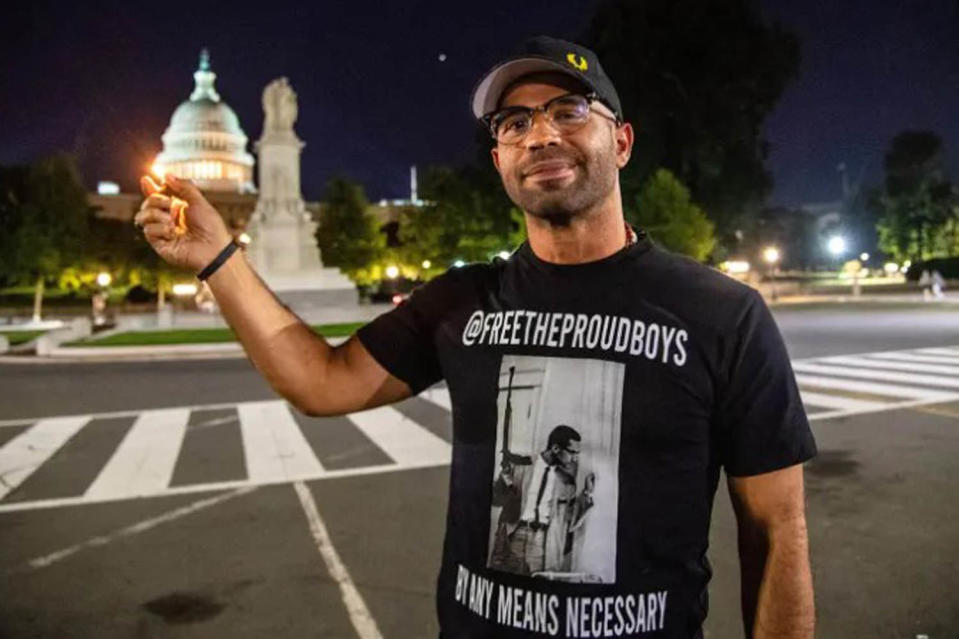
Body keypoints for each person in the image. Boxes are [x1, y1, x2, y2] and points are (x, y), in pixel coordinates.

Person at [136, 35, 816, 639]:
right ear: (499, 160)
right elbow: (321, 380)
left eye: (569, 111)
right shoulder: (458, 302)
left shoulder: (722, 314)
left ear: (623, 141)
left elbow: (774, 531)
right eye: (515, 122)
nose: (540, 135)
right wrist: (220, 260)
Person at [490, 424, 595, 578]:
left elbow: (570, 521)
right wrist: (502, 482)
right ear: (556, 449)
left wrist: (587, 492)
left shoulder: (567, 482)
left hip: (544, 542)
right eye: (572, 452)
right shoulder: (520, 464)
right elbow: (496, 499)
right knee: (504, 581)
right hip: (514, 534)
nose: (575, 458)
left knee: (535, 586)